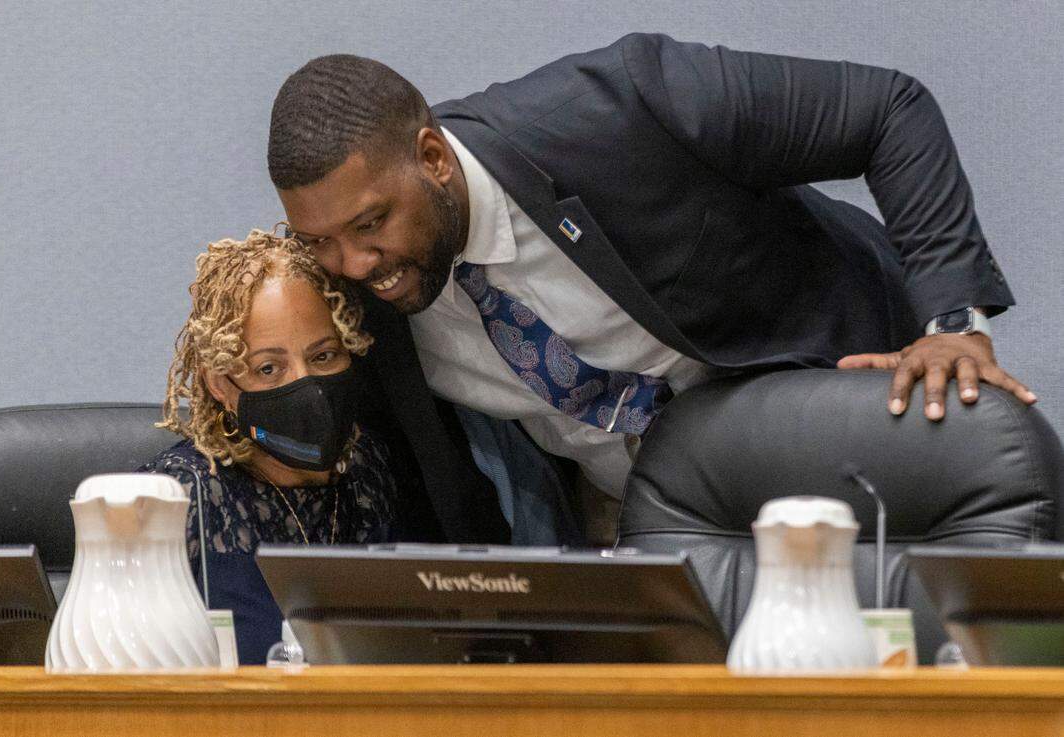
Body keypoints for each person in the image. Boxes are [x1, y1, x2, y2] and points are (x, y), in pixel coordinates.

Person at [264, 34, 1037, 545]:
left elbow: (887, 111)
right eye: (320, 240)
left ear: (433, 156)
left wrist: (952, 321)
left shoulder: (623, 107)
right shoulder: (353, 285)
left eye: (371, 223)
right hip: (638, 523)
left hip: (840, 425)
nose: (354, 262)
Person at [140, 228, 399, 664]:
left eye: (322, 356)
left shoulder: (368, 471)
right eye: (268, 368)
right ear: (221, 384)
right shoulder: (180, 498)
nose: (305, 386)